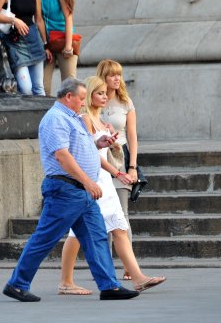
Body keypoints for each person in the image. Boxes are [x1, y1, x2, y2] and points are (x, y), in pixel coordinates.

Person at [2, 78, 140, 302]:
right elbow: (62, 156)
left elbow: (76, 148)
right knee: (45, 237)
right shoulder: (55, 119)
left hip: (79, 191)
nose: (83, 103)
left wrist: (99, 143)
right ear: (68, 97)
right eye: (81, 98)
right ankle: (17, 284)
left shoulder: (72, 118)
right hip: (66, 189)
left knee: (96, 237)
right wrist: (88, 181)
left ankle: (109, 286)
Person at [59, 76, 166, 295]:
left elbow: (102, 150)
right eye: (99, 93)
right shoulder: (85, 119)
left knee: (119, 227)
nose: (105, 96)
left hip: (105, 181)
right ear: (88, 95)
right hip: (92, 178)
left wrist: (112, 144)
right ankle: (66, 281)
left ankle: (137, 277)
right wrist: (118, 172)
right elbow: (88, 154)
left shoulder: (100, 121)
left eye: (104, 93)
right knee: (76, 233)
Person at [96, 59, 141, 280]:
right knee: (101, 215)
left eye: (119, 74)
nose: (116, 78)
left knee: (122, 214)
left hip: (119, 158)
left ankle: (128, 266)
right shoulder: (94, 101)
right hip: (97, 161)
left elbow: (132, 137)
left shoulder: (126, 102)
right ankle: (105, 265)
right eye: (112, 75)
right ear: (103, 77)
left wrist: (132, 167)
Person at [0, 0, 50, 96]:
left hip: (33, 40)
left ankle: (42, 117)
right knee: (25, 88)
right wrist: (14, 20)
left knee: (38, 87)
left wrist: (45, 44)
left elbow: (39, 19)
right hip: (15, 42)